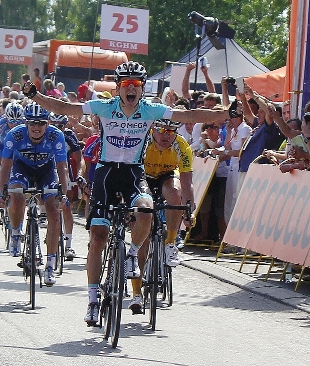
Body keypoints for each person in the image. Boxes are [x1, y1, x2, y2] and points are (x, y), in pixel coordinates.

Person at [22, 60, 229, 324]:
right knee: (98, 237)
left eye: (137, 85)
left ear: (142, 89)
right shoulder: (104, 106)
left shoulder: (151, 110)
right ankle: (93, 300)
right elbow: (64, 108)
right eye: (127, 84)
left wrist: (221, 114)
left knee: (146, 209)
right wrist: (34, 95)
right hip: (107, 174)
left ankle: (132, 253)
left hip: (133, 173)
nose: (132, 89)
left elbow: (187, 116)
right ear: (119, 87)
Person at [0, 102, 69, 286]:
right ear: (26, 123)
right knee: (17, 195)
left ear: (47, 123)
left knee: (53, 213)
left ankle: (50, 265)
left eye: (41, 123)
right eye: (32, 123)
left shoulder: (56, 136)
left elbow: (62, 167)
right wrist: (2, 191)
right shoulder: (15, 135)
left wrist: (63, 191)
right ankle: (15, 233)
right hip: (21, 168)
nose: (36, 127)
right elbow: (5, 165)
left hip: (47, 171)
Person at [127, 118, 195, 312]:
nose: (166, 135)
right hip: (142, 179)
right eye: (162, 131)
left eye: (171, 131)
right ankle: (136, 293)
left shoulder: (182, 146)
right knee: (143, 238)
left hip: (166, 177)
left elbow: (187, 182)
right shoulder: (143, 142)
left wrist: (190, 209)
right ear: (152, 130)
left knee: (175, 194)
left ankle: (171, 243)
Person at [48, 113, 82, 261]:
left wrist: (79, 175)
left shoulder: (69, 136)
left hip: (64, 170)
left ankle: (68, 244)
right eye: (54, 125)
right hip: (47, 170)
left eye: (60, 126)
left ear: (65, 125)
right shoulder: (44, 133)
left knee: (66, 205)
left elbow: (79, 158)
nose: (57, 129)